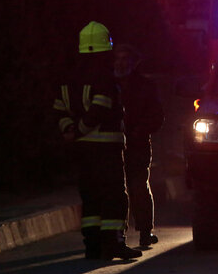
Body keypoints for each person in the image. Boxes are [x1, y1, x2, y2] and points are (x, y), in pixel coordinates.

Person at [52, 22, 142, 260]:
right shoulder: (105, 76)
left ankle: (92, 245)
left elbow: (58, 107)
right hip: (106, 150)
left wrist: (71, 131)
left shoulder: (69, 77)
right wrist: (81, 130)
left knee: (90, 196)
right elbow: (101, 108)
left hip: (82, 151)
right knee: (114, 196)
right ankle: (113, 243)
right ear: (105, 48)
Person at [114, 43, 165, 247]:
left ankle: (145, 231)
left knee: (138, 187)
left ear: (134, 63)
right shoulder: (106, 85)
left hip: (137, 145)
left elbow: (157, 116)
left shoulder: (145, 86)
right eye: (118, 59)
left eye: (126, 59)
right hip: (111, 145)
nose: (121, 63)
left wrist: (137, 131)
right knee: (117, 189)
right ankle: (117, 234)